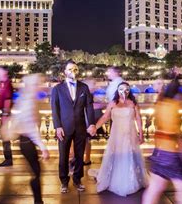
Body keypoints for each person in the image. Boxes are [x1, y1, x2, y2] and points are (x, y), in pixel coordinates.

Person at [90, 82, 146, 196]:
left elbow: (138, 119)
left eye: (126, 89)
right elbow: (105, 117)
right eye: (121, 89)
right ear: (117, 90)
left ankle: (130, 180)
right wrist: (95, 127)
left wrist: (141, 134)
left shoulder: (133, 103)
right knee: (117, 155)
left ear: (129, 90)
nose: (124, 92)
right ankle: (115, 178)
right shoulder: (113, 103)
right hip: (116, 135)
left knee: (129, 156)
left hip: (130, 134)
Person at [10, 74, 52, 204]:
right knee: (36, 174)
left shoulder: (25, 99)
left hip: (25, 141)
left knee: (36, 174)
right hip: (27, 141)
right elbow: (31, 128)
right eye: (38, 84)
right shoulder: (28, 102)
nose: (41, 86)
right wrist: (43, 147)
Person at [51, 61, 96, 193]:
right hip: (64, 128)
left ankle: (77, 179)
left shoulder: (84, 87)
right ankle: (64, 181)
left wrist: (92, 123)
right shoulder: (57, 89)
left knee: (79, 155)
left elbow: (89, 106)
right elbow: (55, 109)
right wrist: (57, 126)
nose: (73, 72)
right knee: (63, 156)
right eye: (70, 69)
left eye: (75, 69)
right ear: (65, 71)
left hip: (81, 127)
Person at [0, 66, 14, 167]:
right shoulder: (1, 83)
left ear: (4, 72)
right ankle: (7, 158)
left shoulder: (7, 84)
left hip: (5, 113)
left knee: (5, 136)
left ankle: (8, 159)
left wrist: (5, 114)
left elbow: (8, 100)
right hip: (2, 112)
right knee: (3, 135)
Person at [83, 78, 104, 166]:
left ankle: (85, 159)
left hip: (87, 121)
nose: (95, 85)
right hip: (87, 120)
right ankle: (86, 159)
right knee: (86, 141)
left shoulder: (88, 94)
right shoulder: (89, 94)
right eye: (93, 84)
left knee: (86, 140)